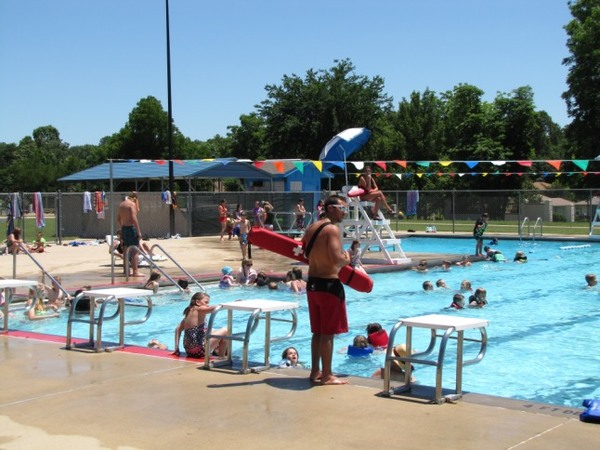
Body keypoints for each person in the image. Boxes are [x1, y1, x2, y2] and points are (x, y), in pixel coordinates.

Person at [301, 194, 351, 385]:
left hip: (312, 284)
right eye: (342, 208)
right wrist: (347, 258)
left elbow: (305, 252)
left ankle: (315, 371)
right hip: (329, 286)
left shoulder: (311, 227)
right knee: (328, 333)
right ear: (330, 208)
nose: (344, 212)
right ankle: (328, 375)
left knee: (318, 332)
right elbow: (337, 258)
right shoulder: (332, 229)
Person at [173, 292, 227, 358]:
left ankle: (217, 352)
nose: (207, 305)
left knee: (212, 330)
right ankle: (221, 358)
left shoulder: (189, 312)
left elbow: (178, 329)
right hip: (199, 351)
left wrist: (176, 347)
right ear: (198, 302)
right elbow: (214, 308)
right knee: (226, 330)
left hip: (189, 351)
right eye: (206, 302)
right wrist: (228, 305)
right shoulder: (199, 309)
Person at [117, 192, 143, 277]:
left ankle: (126, 270)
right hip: (131, 228)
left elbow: (118, 219)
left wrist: (122, 227)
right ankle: (135, 271)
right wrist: (138, 231)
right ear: (134, 198)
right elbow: (133, 218)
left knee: (125, 250)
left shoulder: (121, 205)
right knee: (135, 250)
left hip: (124, 228)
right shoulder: (131, 204)